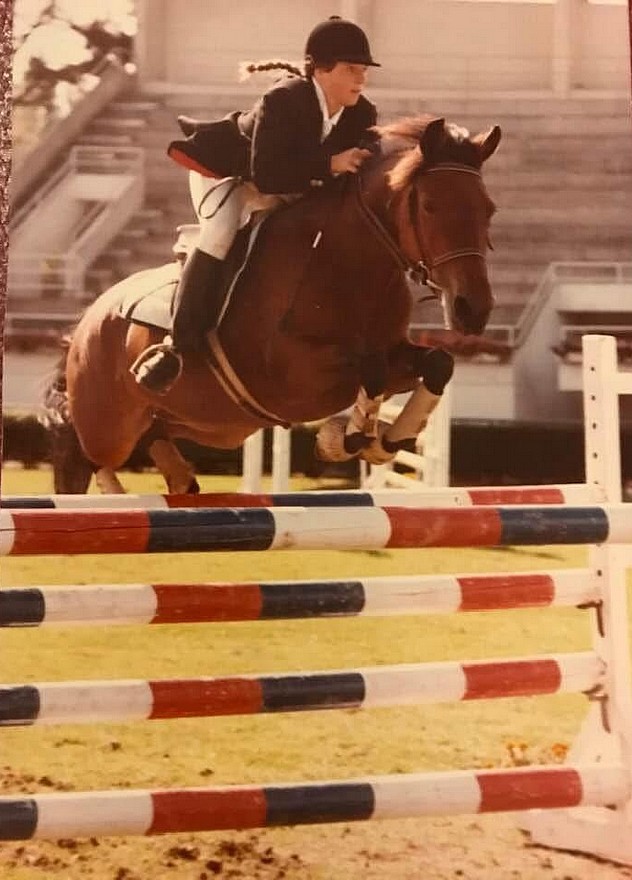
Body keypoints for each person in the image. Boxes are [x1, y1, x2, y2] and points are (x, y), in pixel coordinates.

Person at [132, 15, 380, 394]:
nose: (361, 79)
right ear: (321, 70)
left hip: (292, 180)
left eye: (364, 71)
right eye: (351, 69)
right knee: (220, 232)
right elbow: (268, 177)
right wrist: (330, 163)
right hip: (229, 174)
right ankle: (176, 346)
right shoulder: (284, 99)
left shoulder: (362, 113)